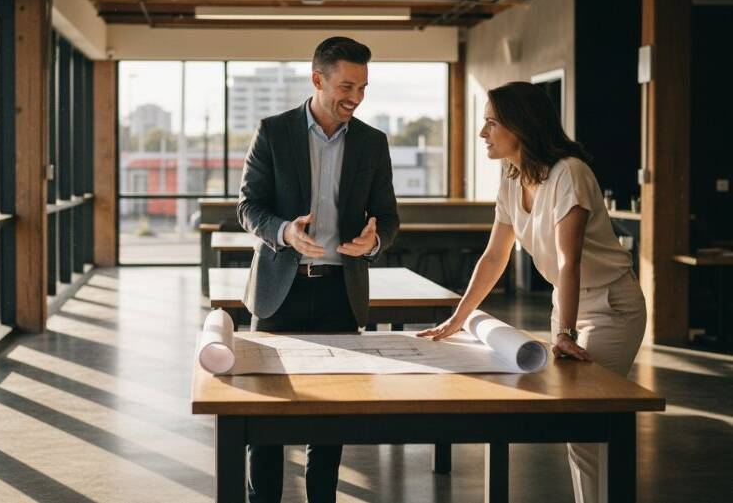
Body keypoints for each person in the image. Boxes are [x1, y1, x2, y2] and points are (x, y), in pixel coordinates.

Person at [417, 81, 646, 503]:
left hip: (612, 309)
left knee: (587, 422)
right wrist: (459, 316)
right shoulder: (511, 178)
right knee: (580, 432)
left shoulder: (569, 174)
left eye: (491, 123)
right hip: (569, 305)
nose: (483, 133)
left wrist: (567, 334)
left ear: (520, 126)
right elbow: (494, 257)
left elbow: (568, 260)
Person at [237, 36, 399, 503]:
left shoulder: (372, 142)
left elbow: (388, 217)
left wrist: (375, 241)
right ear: (317, 79)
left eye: (363, 88)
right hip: (277, 292)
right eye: (347, 86)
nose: (356, 98)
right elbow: (248, 207)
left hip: (339, 293)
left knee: (331, 417)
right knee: (266, 418)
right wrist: (285, 231)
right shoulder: (273, 131)